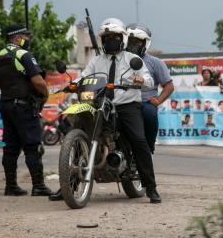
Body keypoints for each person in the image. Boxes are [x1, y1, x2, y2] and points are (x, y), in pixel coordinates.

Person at [51, 18, 161, 204]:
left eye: (114, 37)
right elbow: (84, 77)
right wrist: (73, 84)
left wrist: (140, 81)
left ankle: (151, 187)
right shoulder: (96, 61)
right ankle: (69, 185)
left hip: (126, 106)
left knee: (139, 140)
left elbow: (149, 81)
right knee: (79, 132)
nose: (111, 40)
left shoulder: (132, 59)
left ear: (122, 38)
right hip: (100, 103)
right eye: (107, 37)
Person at [0, 24, 52, 196]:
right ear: (17, 38)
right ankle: (39, 186)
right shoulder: (23, 55)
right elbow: (38, 81)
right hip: (24, 107)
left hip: (6, 105)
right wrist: (45, 94)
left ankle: (10, 186)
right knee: (32, 146)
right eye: (26, 37)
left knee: (10, 147)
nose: (28, 40)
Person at [125, 23, 174, 153]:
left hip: (145, 102)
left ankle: (149, 147)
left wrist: (157, 101)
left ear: (145, 43)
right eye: (131, 41)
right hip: (123, 101)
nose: (134, 44)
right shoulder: (119, 60)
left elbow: (169, 85)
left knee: (150, 114)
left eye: (138, 41)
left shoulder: (155, 62)